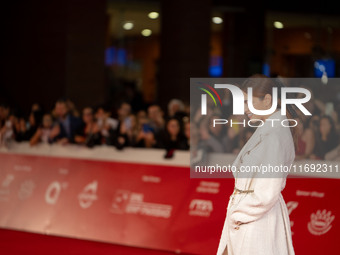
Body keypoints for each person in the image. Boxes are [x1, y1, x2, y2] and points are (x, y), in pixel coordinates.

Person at [217, 75, 296, 255]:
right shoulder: (269, 129)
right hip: (251, 217)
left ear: (267, 100)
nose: (244, 109)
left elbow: (267, 192)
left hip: (255, 218)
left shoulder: (274, 135)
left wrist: (238, 214)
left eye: (247, 102)